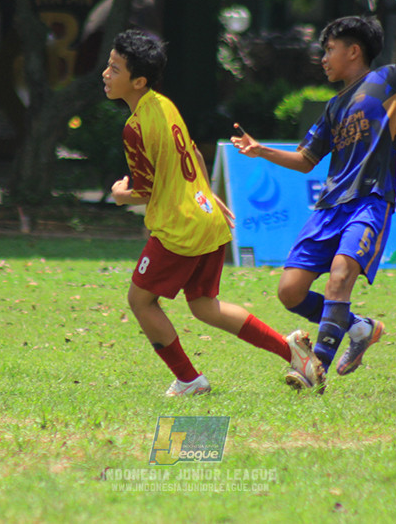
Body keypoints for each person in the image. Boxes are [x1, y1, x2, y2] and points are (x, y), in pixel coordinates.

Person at [232, 0, 396, 389]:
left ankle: (314, 366)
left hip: (369, 202)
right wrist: (260, 149)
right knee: (289, 291)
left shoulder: (387, 79)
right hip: (329, 207)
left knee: (340, 275)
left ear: (354, 51)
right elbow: (305, 159)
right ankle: (359, 328)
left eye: (330, 49)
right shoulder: (333, 107)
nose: (323, 58)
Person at [105, 29, 324, 396]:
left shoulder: (135, 127)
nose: (105, 74)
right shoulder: (164, 103)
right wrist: (206, 193)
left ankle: (190, 380)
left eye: (114, 68)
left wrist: (118, 195)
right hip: (207, 217)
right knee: (205, 306)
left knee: (140, 300)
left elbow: (144, 190)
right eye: (108, 66)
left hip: (180, 228)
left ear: (138, 81)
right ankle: (292, 351)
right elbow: (191, 150)